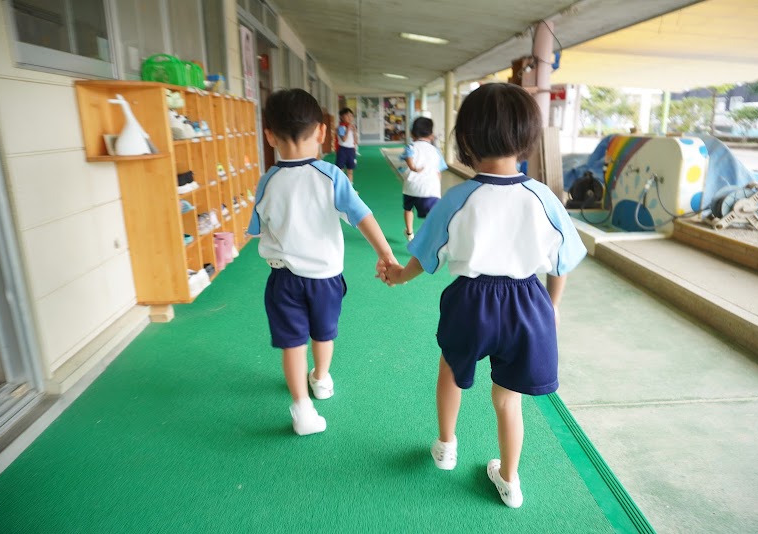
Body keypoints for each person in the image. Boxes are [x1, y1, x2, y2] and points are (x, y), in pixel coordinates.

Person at [379, 83, 586, 508]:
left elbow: (425, 256)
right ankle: (509, 480)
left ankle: (446, 445)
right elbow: (561, 261)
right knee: (508, 399)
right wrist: (552, 307)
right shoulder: (543, 197)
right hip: (527, 303)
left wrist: (398, 276)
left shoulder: (458, 197)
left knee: (451, 370)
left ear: (466, 140)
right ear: (527, 138)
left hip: (470, 302)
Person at [249, 89, 395, 436]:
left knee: (292, 343)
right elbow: (362, 216)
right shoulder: (331, 175)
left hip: (283, 279)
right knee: (324, 333)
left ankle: (301, 407)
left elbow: (258, 230)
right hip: (325, 277)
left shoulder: (267, 181)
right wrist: (385, 254)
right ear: (321, 132)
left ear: (269, 136)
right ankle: (321, 377)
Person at [399, 117, 448, 241]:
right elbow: (439, 172)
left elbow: (406, 161)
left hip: (411, 187)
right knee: (431, 215)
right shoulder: (435, 151)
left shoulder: (410, 147)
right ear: (431, 135)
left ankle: (409, 232)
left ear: (412, 133)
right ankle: (430, 236)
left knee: (408, 209)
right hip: (430, 189)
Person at [335, 107, 358, 184]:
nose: (349, 117)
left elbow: (355, 141)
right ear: (341, 117)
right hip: (342, 150)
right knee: (340, 170)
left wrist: (354, 132)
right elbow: (344, 139)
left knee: (350, 170)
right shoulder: (340, 127)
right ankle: (341, 186)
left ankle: (350, 187)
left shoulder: (352, 127)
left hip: (351, 150)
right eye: (347, 115)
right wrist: (348, 129)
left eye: (351, 116)